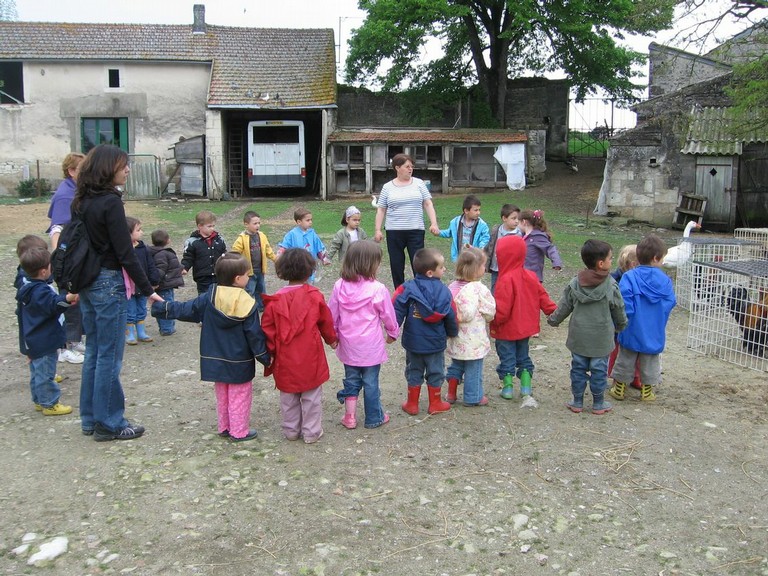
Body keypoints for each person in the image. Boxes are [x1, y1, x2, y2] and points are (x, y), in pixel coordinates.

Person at [72, 144, 162, 441]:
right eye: (123, 165)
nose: (127, 169)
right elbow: (126, 253)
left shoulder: (83, 200)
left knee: (95, 353)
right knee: (110, 356)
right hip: (108, 284)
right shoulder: (110, 202)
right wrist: (148, 289)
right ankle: (109, 423)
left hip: (88, 283)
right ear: (109, 167)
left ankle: (90, 418)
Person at [151, 253, 271, 442]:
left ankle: (224, 427)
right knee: (239, 394)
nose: (249, 277)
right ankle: (239, 431)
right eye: (247, 274)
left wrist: (161, 307)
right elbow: (254, 335)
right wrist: (265, 357)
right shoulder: (248, 304)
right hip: (239, 361)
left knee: (222, 394)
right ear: (238, 279)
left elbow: (186, 309)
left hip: (214, 359)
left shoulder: (209, 297)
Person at [261, 248, 338, 444]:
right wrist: (332, 340)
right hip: (310, 355)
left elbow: (267, 329)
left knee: (288, 397)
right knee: (311, 396)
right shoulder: (314, 296)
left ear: (281, 272)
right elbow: (325, 322)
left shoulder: (274, 301)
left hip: (285, 356)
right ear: (310, 270)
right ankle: (311, 431)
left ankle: (291, 430)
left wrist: (268, 352)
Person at [548, 239, 628, 414]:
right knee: (599, 370)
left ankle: (577, 401)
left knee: (578, 368)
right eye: (610, 258)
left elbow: (564, 306)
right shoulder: (611, 285)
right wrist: (622, 324)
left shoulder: (575, 282)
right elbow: (618, 308)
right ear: (601, 263)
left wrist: (554, 320)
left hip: (579, 337)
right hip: (601, 339)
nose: (611, 261)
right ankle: (598, 403)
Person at [328, 240, 399, 429]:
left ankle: (350, 417)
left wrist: (332, 336)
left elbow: (331, 314)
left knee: (351, 380)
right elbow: (388, 315)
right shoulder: (378, 289)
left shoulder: (339, 286)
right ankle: (374, 417)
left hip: (348, 345)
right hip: (371, 347)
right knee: (371, 382)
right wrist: (393, 332)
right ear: (370, 264)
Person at [609, 234, 676, 403]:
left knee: (626, 357)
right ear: (656, 258)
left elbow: (624, 301)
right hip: (654, 328)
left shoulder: (629, 277)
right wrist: (659, 315)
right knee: (650, 359)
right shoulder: (665, 280)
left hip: (632, 327)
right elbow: (670, 301)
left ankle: (619, 388)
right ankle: (647, 390)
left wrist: (625, 320)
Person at [491, 235, 557, 408]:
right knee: (523, 355)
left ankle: (507, 387)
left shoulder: (504, 280)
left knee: (507, 357)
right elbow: (542, 295)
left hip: (506, 329)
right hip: (526, 328)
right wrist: (552, 310)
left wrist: (494, 322)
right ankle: (526, 386)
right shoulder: (531, 275)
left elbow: (502, 309)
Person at [393, 247, 458, 415]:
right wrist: (452, 332)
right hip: (435, 343)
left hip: (413, 342)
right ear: (430, 272)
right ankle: (435, 403)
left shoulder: (407, 288)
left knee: (413, 370)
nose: (445, 269)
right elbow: (451, 314)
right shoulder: (445, 291)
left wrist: (393, 330)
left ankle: (412, 404)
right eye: (442, 267)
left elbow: (396, 309)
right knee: (436, 371)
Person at [16, 247, 78, 415]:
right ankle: (49, 403)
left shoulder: (26, 288)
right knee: (45, 374)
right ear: (44, 271)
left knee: (37, 372)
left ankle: (39, 400)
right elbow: (53, 305)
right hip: (44, 339)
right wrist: (69, 298)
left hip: (33, 338)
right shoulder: (40, 290)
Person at [374, 153, 440, 288]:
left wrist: (434, 223)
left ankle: (421, 290)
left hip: (415, 230)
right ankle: (400, 292)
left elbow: (428, 203)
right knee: (396, 264)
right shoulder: (387, 187)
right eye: (407, 166)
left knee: (419, 263)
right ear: (397, 168)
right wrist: (378, 230)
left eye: (412, 166)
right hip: (394, 231)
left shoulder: (419, 183)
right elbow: (381, 209)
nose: (410, 169)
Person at [445, 247, 496, 406]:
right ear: (475, 270)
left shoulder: (451, 286)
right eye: (483, 265)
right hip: (474, 338)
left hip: (456, 336)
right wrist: (486, 316)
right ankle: (473, 397)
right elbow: (489, 311)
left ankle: (451, 393)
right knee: (474, 368)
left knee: (457, 363)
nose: (485, 268)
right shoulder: (479, 289)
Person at [48, 152, 86, 364]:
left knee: (77, 299)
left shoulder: (78, 190)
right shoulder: (65, 195)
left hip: (75, 254)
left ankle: (74, 340)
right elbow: (57, 228)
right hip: (67, 256)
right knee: (68, 299)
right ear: (72, 171)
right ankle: (65, 346)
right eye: (83, 169)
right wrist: (59, 259)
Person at [608, 244, 641, 389]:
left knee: (637, 351)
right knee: (618, 351)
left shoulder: (638, 279)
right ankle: (616, 378)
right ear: (634, 265)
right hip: (618, 323)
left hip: (634, 322)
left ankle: (636, 377)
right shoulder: (614, 279)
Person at [231, 210, 277, 312]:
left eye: (259, 223)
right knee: (249, 290)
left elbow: (268, 249)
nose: (258, 226)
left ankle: (261, 307)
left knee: (261, 290)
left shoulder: (262, 236)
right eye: (255, 223)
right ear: (246, 224)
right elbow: (235, 252)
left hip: (260, 269)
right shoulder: (242, 238)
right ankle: (248, 309)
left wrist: (275, 259)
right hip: (248, 272)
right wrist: (236, 264)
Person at [125, 216, 159, 345]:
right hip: (128, 288)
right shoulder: (123, 249)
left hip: (142, 286)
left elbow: (150, 264)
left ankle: (141, 332)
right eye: (138, 230)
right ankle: (130, 333)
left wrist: (154, 280)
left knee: (141, 309)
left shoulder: (143, 248)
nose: (142, 232)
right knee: (130, 311)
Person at [277, 208, 330, 284]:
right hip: (296, 266)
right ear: (299, 222)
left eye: (311, 220)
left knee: (309, 285)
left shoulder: (312, 234)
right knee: (297, 285)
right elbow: (284, 247)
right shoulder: (292, 234)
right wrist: (279, 258)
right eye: (307, 220)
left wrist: (324, 259)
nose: (310, 222)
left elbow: (319, 248)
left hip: (309, 265)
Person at [182, 210, 227, 294]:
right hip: (203, 276)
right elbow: (188, 257)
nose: (212, 228)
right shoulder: (192, 242)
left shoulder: (220, 240)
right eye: (209, 226)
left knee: (219, 297)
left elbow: (224, 254)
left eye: (213, 226)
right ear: (200, 226)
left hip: (219, 275)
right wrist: (185, 267)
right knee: (204, 297)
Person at [148, 229, 184, 336]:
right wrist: (156, 282)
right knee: (166, 306)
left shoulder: (158, 252)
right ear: (167, 240)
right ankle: (167, 328)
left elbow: (173, 264)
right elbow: (161, 270)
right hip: (164, 285)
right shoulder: (162, 254)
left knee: (164, 304)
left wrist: (181, 268)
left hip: (166, 284)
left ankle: (167, 327)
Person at [436, 194, 490, 262]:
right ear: (466, 211)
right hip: (460, 258)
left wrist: (480, 249)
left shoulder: (482, 225)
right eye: (475, 210)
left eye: (479, 210)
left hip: (474, 258)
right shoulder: (455, 222)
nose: (478, 213)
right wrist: (439, 232)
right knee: (460, 272)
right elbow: (449, 232)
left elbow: (485, 238)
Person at [484, 203, 522, 294]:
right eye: (513, 218)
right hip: (496, 268)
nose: (517, 221)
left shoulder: (519, 235)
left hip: (511, 270)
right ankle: (495, 307)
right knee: (495, 291)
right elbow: (490, 245)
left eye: (518, 219)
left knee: (510, 292)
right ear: (504, 218)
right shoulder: (496, 230)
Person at [519, 209, 562, 282]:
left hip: (533, 277)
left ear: (524, 222)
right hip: (521, 275)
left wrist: (556, 262)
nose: (517, 226)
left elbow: (550, 249)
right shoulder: (522, 236)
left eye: (518, 223)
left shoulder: (538, 236)